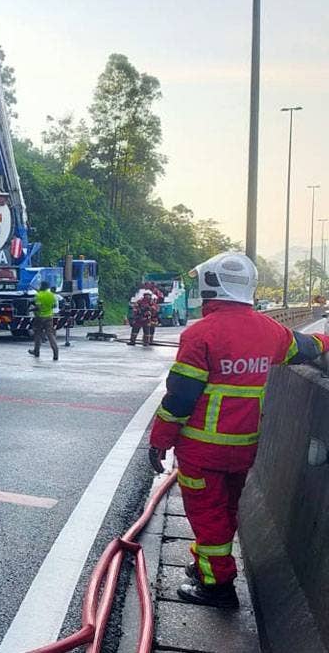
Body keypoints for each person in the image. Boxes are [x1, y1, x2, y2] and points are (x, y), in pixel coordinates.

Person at [148, 252, 329, 609]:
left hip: (202, 450)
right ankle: (207, 568)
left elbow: (180, 398)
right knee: (226, 509)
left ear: (210, 285)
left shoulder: (200, 335)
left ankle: (217, 585)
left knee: (206, 513)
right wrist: (327, 340)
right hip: (244, 447)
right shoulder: (268, 331)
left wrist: (159, 441)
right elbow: (306, 348)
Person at [28, 281, 59, 360]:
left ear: (41, 286)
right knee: (50, 335)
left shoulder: (38, 295)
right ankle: (55, 352)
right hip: (49, 317)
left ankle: (36, 351)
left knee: (38, 334)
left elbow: (38, 307)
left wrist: (31, 309)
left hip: (39, 317)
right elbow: (54, 305)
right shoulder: (51, 295)